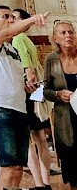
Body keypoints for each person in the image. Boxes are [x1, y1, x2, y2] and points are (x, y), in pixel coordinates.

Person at [0, 5, 48, 190]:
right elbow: (9, 32)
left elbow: (16, 80)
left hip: (19, 109)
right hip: (2, 109)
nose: (11, 20)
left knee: (18, 168)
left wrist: (28, 86)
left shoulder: (14, 51)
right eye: (6, 16)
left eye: (12, 17)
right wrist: (34, 19)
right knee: (8, 168)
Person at [11, 7, 52, 190]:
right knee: (41, 138)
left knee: (27, 141)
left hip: (28, 91)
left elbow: (29, 69)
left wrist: (27, 81)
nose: (11, 20)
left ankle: (38, 184)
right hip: (38, 92)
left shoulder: (18, 39)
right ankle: (46, 182)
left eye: (14, 17)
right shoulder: (27, 39)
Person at [44, 20, 77, 189]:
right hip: (65, 118)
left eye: (71, 32)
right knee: (72, 164)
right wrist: (58, 94)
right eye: (63, 33)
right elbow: (46, 90)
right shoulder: (51, 59)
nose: (68, 36)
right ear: (55, 38)